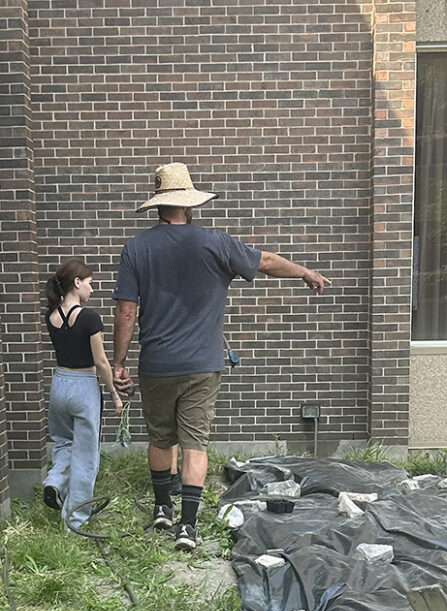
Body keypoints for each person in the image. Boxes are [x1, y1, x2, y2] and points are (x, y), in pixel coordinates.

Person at [112, 162, 330, 551]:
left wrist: (119, 362)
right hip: (202, 364)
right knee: (194, 443)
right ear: (188, 204)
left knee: (160, 437)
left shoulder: (136, 248)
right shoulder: (216, 243)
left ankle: (162, 509)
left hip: (156, 364)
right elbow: (266, 261)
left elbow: (126, 312)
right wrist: (305, 273)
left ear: (159, 205)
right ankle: (187, 528)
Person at [43, 258, 123, 530]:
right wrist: (113, 393)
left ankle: (55, 481)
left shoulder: (51, 317)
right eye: (90, 283)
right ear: (77, 283)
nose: (92, 288)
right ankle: (74, 521)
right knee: (86, 456)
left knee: (63, 442)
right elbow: (101, 362)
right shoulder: (90, 318)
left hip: (59, 385)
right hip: (84, 386)